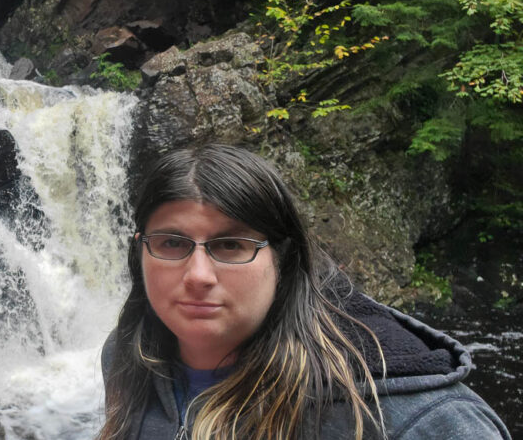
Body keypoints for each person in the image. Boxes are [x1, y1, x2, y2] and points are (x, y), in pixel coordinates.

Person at [97, 144, 510, 440]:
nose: (199, 275)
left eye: (231, 245)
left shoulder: (415, 419)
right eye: (172, 243)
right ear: (141, 251)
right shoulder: (129, 355)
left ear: (283, 257)